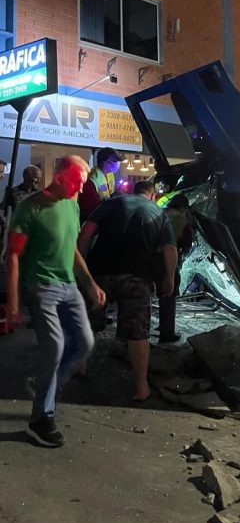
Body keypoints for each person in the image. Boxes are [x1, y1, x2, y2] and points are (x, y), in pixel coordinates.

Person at [5, 156, 106, 448]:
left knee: (85, 344)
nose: (82, 187)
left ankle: (45, 389)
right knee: (55, 346)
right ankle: (41, 419)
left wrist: (89, 283)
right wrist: (13, 304)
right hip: (41, 286)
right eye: (78, 181)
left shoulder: (71, 204)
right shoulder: (30, 207)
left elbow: (71, 248)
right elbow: (12, 256)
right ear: (60, 177)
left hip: (69, 286)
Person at [78, 180, 177, 402]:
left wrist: (81, 268)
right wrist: (168, 278)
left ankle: (81, 365)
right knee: (138, 333)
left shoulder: (111, 203)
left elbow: (86, 233)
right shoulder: (158, 212)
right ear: (151, 196)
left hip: (100, 272)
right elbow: (170, 249)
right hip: (137, 277)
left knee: (88, 321)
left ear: (133, 192)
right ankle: (142, 387)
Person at [157, 193, 194, 343]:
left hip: (149, 257)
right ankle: (166, 332)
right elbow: (186, 244)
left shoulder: (159, 213)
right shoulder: (183, 220)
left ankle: (143, 331)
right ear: (184, 207)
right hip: (168, 258)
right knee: (168, 294)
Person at [78, 147, 125, 222]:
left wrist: (117, 194)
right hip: (90, 221)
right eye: (115, 161)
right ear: (105, 162)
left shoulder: (110, 175)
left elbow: (109, 195)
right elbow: (90, 208)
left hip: (103, 218)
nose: (118, 164)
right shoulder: (91, 180)